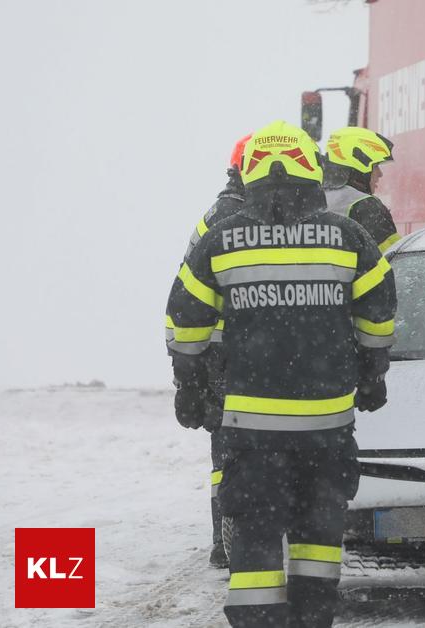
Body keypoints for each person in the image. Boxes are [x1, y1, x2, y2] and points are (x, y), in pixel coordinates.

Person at [165, 120, 397, 627]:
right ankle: (313, 618)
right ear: (311, 170)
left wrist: (191, 386)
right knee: (319, 534)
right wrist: (372, 372)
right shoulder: (348, 236)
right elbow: (379, 311)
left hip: (251, 430)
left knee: (255, 535)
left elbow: (185, 319)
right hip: (327, 426)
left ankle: (258, 620)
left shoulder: (221, 240)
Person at [168, 132, 251, 569]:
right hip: (224, 350)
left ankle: (225, 538)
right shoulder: (233, 217)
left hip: (213, 348)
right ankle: (226, 540)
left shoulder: (221, 211)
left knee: (225, 448)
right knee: (230, 447)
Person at [322, 126, 401, 254]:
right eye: (376, 166)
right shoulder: (365, 205)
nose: (380, 174)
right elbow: (393, 256)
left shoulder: (314, 199)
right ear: (360, 164)